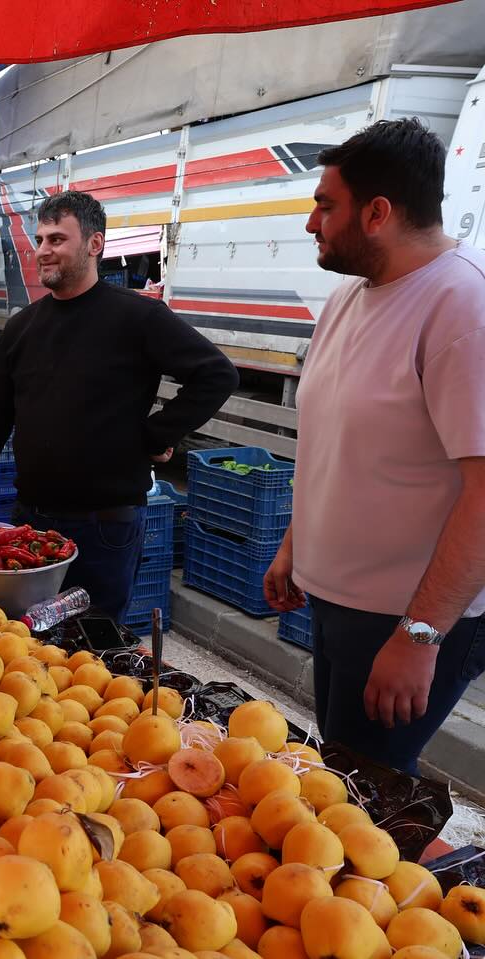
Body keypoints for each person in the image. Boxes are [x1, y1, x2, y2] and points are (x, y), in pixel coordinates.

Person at [263, 119, 485, 774]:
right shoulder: (345, 300)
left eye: (325, 205)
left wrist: (420, 635)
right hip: (339, 605)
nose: (312, 223)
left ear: (378, 212)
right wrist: (295, 544)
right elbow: (334, 439)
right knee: (339, 773)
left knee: (366, 805)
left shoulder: (460, 307)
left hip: (405, 617)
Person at [0, 190, 237, 623]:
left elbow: (217, 375)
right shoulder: (23, 327)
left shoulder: (139, 318)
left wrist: (154, 436)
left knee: (91, 652)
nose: (43, 251)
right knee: (22, 647)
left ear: (94, 245)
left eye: (57, 239)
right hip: (31, 525)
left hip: (104, 528)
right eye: (40, 240)